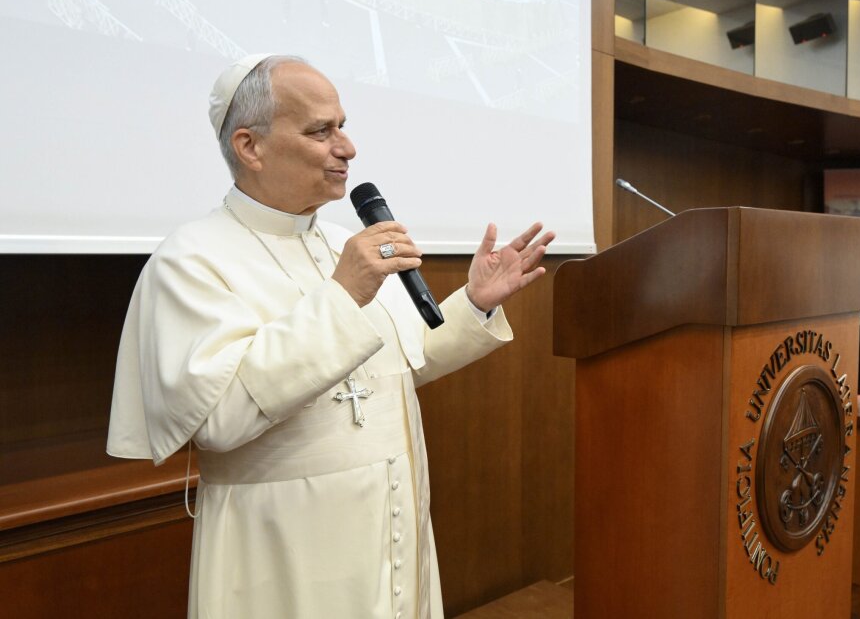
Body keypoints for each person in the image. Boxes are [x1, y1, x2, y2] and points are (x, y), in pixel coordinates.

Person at [107, 54, 555, 619]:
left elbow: (403, 362)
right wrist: (343, 294)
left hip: (392, 525)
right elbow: (217, 418)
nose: (347, 147)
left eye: (342, 126)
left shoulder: (343, 242)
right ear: (250, 146)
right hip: (281, 548)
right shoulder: (191, 259)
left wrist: (474, 303)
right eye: (321, 131)